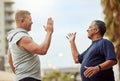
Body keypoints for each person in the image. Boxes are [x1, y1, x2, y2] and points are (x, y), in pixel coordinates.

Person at [7, 10, 54, 81]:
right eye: (30, 19)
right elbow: (42, 50)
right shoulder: (22, 37)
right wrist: (49, 32)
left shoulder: (13, 38)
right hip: (29, 78)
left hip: (23, 78)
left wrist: (19, 76)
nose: (32, 22)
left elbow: (10, 61)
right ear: (22, 21)